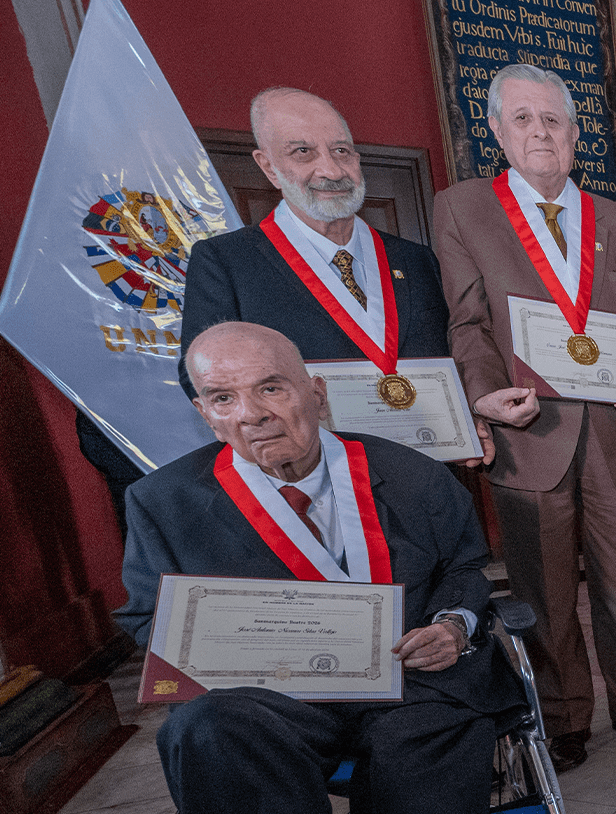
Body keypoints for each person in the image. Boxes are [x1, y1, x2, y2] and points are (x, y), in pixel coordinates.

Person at [115, 322, 521, 814]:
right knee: (208, 726)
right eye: (223, 398)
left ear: (317, 393)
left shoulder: (414, 474)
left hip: (411, 684)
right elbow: (147, 618)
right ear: (205, 414)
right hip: (272, 697)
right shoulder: (163, 503)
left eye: (270, 388)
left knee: (430, 734)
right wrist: (215, 643)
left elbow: (463, 569)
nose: (252, 415)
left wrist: (452, 626)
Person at [434, 64, 616, 769]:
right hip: (526, 432)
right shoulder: (462, 209)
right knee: (546, 594)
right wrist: (480, 395)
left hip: (615, 434)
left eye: (555, 120)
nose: (541, 132)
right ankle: (565, 716)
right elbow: (467, 323)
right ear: (498, 130)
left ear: (575, 133)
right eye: (525, 119)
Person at [179, 89, 456, 412]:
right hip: (314, 460)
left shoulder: (416, 259)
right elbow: (206, 380)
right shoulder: (225, 263)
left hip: (427, 455)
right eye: (303, 152)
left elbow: (454, 357)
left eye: (341, 151)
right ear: (268, 167)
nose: (332, 171)